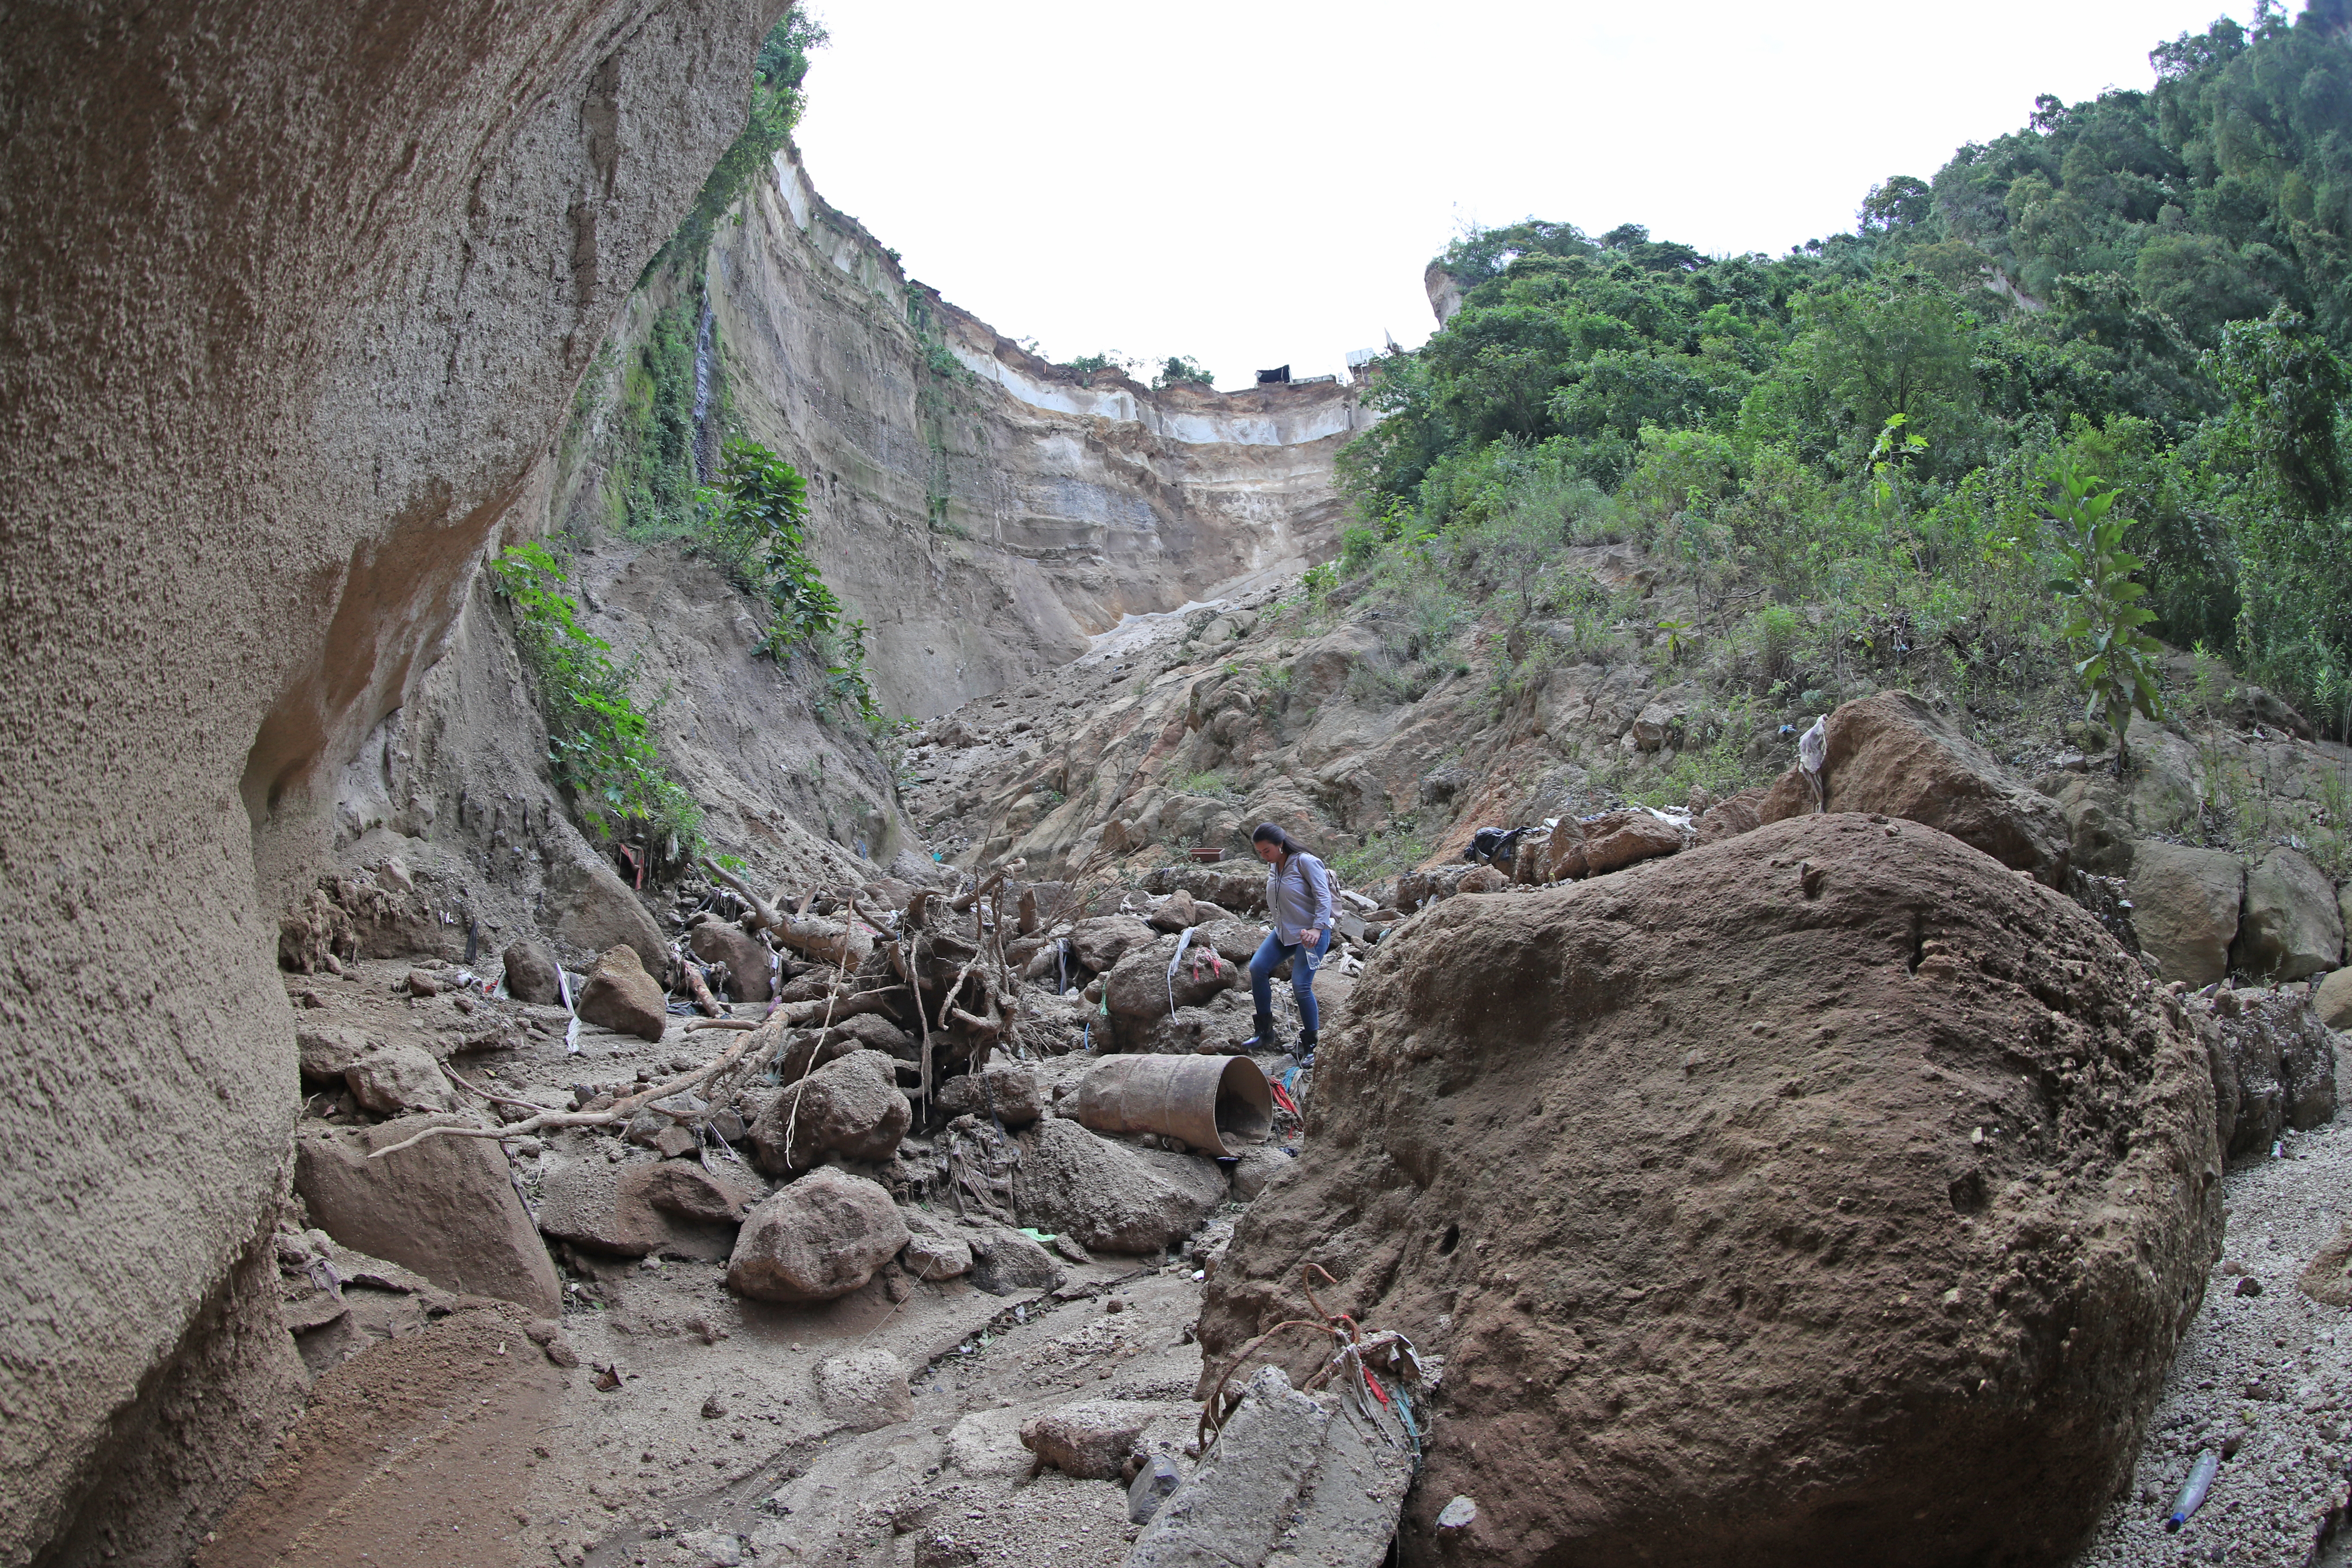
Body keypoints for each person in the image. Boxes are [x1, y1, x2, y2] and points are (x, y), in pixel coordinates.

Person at [1244, 822, 1335, 1062]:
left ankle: (1312, 1044)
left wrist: (1317, 929)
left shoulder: (1305, 862)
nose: (1264, 856)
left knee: (1301, 985)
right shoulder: (1274, 866)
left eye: (1267, 851)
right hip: (1285, 933)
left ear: (1280, 845)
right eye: (1260, 853)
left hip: (1312, 934)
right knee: (1257, 968)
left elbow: (1324, 896)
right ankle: (1264, 1032)